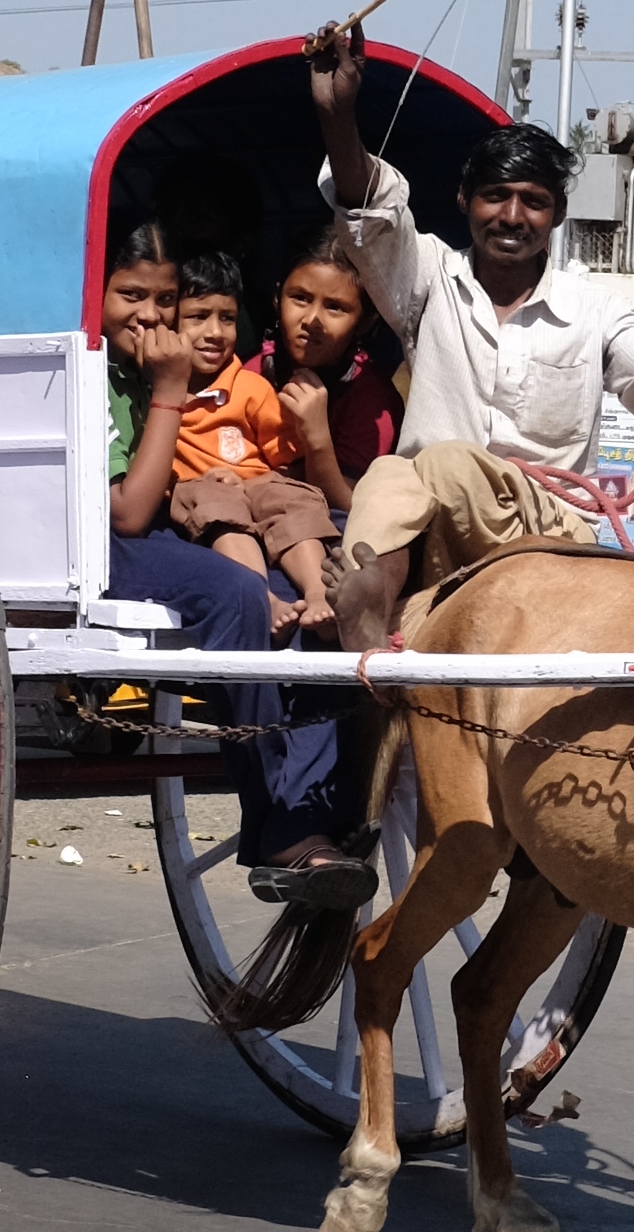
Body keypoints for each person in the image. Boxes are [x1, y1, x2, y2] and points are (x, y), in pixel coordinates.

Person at [306, 22, 634, 650]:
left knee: (439, 461)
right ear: (465, 201)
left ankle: (373, 584)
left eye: (532, 201)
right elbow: (371, 213)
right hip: (436, 524)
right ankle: (372, 597)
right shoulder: (428, 280)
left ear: (557, 215)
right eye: (495, 196)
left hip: (547, 531)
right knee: (390, 474)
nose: (513, 216)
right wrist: (338, 113)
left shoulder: (596, 311)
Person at [99, 221, 374, 908]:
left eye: (165, 300)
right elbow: (129, 515)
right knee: (237, 594)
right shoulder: (105, 376)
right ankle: (279, 819)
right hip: (117, 536)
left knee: (329, 597)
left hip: (189, 523)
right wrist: (169, 387)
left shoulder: (210, 378)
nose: (151, 316)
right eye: (131, 296)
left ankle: (319, 800)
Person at [162, 251, 340, 640]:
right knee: (216, 502)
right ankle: (264, 598)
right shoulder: (159, 393)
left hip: (258, 482)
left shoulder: (251, 387)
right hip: (202, 490)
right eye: (198, 317)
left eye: (227, 318)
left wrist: (261, 483)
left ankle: (318, 592)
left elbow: (286, 460)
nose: (215, 332)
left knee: (290, 499)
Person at [260, 229, 405, 527]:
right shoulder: (247, 371)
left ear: (365, 321)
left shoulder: (371, 400)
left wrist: (317, 439)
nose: (312, 320)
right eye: (300, 298)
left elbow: (347, 508)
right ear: (277, 298)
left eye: (335, 307)